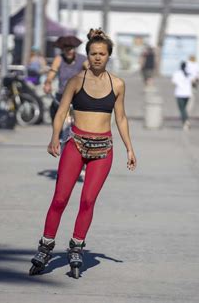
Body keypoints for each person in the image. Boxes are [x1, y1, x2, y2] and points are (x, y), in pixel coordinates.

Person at [29, 28, 137, 278]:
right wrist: (54, 137)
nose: (98, 57)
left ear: (109, 55)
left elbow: (120, 117)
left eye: (102, 53)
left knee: (88, 200)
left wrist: (130, 148)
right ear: (87, 55)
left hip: (103, 149)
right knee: (60, 199)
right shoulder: (76, 81)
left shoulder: (118, 84)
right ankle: (45, 247)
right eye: (93, 53)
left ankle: (76, 246)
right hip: (75, 143)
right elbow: (61, 110)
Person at [43, 36, 89, 122]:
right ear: (63, 50)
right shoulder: (59, 59)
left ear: (74, 49)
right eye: (66, 50)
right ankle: (57, 134)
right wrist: (48, 83)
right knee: (54, 113)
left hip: (77, 96)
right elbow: (52, 72)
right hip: (62, 95)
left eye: (71, 49)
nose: (69, 52)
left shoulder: (82, 59)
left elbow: (90, 71)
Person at [172, 62, 193, 131]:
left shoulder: (177, 74)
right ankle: (186, 121)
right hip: (187, 94)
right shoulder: (188, 74)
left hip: (180, 94)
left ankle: (185, 122)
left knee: (182, 109)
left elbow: (173, 82)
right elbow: (193, 81)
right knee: (184, 109)